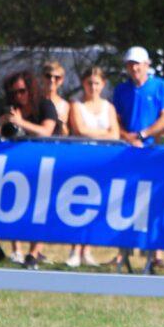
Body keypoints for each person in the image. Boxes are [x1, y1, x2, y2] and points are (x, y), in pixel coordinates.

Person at [112, 45, 164, 274]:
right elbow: (115, 119)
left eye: (138, 63)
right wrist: (128, 137)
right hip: (128, 153)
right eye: (130, 64)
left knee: (153, 203)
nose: (134, 67)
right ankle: (123, 252)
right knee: (124, 202)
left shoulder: (161, 86)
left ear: (147, 65)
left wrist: (143, 135)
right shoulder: (121, 90)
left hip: (153, 154)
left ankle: (155, 254)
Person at [0, 69, 59, 270]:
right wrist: (1, 124)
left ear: (30, 89)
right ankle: (16, 249)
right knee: (13, 204)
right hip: (16, 165)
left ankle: (33, 254)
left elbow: (46, 131)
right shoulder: (11, 108)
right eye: (14, 93)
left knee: (39, 208)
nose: (18, 96)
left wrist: (21, 122)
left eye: (22, 91)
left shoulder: (45, 104)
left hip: (45, 164)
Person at [66, 66, 120, 267]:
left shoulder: (109, 107)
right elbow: (79, 130)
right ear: (83, 83)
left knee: (94, 206)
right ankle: (74, 250)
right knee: (76, 203)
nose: (93, 87)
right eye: (89, 83)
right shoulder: (76, 105)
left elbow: (115, 135)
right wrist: (103, 132)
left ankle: (87, 250)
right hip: (81, 160)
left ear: (103, 84)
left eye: (97, 83)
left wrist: (99, 133)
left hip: (104, 162)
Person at [41, 61, 69, 136]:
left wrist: (61, 123)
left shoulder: (65, 105)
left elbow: (66, 134)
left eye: (57, 77)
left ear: (62, 80)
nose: (52, 80)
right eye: (48, 76)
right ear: (42, 77)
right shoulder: (35, 100)